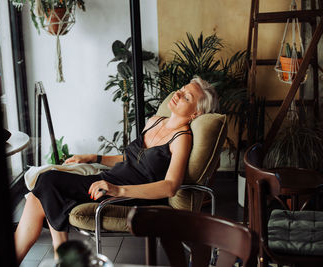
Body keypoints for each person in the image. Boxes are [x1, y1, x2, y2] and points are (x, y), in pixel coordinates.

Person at [14, 76, 219, 263]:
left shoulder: (181, 139)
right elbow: (131, 159)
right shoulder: (155, 121)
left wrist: (116, 190)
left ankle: (63, 257)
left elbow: (170, 187)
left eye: (186, 96)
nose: (178, 94)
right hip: (109, 179)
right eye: (181, 89)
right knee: (38, 195)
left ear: (195, 113)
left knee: (46, 182)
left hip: (128, 193)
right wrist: (93, 157)